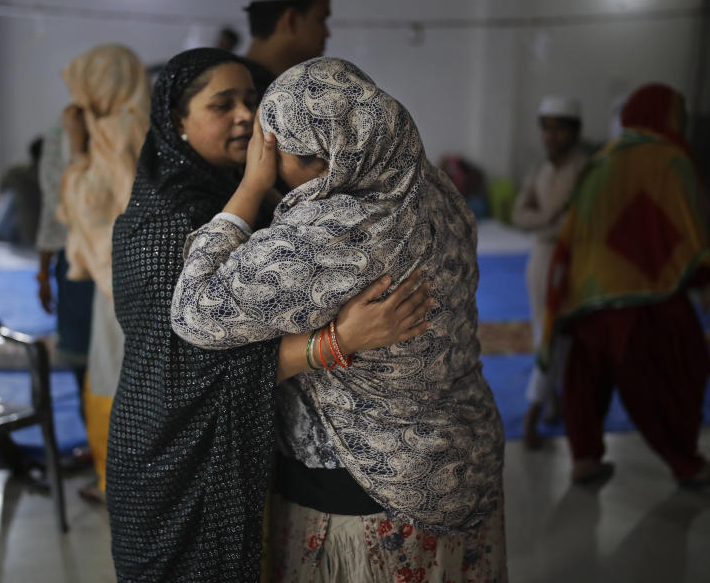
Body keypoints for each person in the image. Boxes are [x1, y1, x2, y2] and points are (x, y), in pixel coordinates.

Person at [172, 57, 507, 581]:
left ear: (304, 154)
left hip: (370, 492)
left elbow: (194, 311)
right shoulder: (433, 187)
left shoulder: (332, 234)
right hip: (466, 455)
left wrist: (252, 187)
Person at [106, 48, 431, 581]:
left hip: (234, 452)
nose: (243, 116)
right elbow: (187, 370)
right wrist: (335, 342)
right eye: (221, 104)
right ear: (176, 122)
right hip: (171, 460)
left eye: (251, 101)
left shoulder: (264, 201)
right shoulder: (166, 221)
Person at [540, 83, 710, 488]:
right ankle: (688, 464)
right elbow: (688, 229)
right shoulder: (671, 159)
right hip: (644, 292)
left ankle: (584, 459)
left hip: (587, 291)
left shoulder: (602, 159)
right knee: (668, 377)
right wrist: (706, 283)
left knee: (586, 378)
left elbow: (575, 229)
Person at [57, 44, 151, 504]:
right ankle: (119, 478)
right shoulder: (116, 127)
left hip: (124, 281)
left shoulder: (122, 130)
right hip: (111, 278)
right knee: (110, 375)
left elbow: (98, 204)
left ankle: (123, 482)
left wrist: (76, 149)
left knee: (118, 379)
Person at [512, 95, 590, 449]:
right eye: (546, 129)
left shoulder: (586, 170)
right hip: (543, 259)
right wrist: (550, 220)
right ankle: (548, 401)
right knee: (544, 330)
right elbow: (519, 214)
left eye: (559, 129)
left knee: (563, 334)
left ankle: (542, 406)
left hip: (575, 260)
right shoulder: (539, 170)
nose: (551, 137)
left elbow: (585, 222)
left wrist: (551, 223)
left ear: (574, 133)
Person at [35, 121, 95, 421]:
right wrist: (43, 272)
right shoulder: (61, 132)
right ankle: (98, 445)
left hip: (119, 261)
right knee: (83, 357)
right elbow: (53, 207)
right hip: (77, 265)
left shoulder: (132, 124)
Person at [242, 0, 331, 94]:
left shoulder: (238, 82)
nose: (327, 33)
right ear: (291, 20)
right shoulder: (248, 95)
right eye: (320, 19)